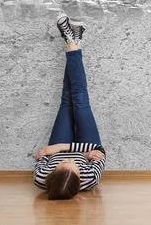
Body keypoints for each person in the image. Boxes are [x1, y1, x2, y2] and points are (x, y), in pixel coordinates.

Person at [33, 14, 106, 200]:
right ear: (80, 179)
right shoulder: (90, 179)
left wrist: (80, 153)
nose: (71, 157)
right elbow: (100, 151)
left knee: (67, 100)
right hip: (71, 144)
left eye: (64, 162)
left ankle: (73, 39)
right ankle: (72, 40)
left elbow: (42, 156)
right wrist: (60, 150)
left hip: (66, 144)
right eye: (75, 164)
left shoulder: (41, 178)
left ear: (52, 173)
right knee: (80, 100)